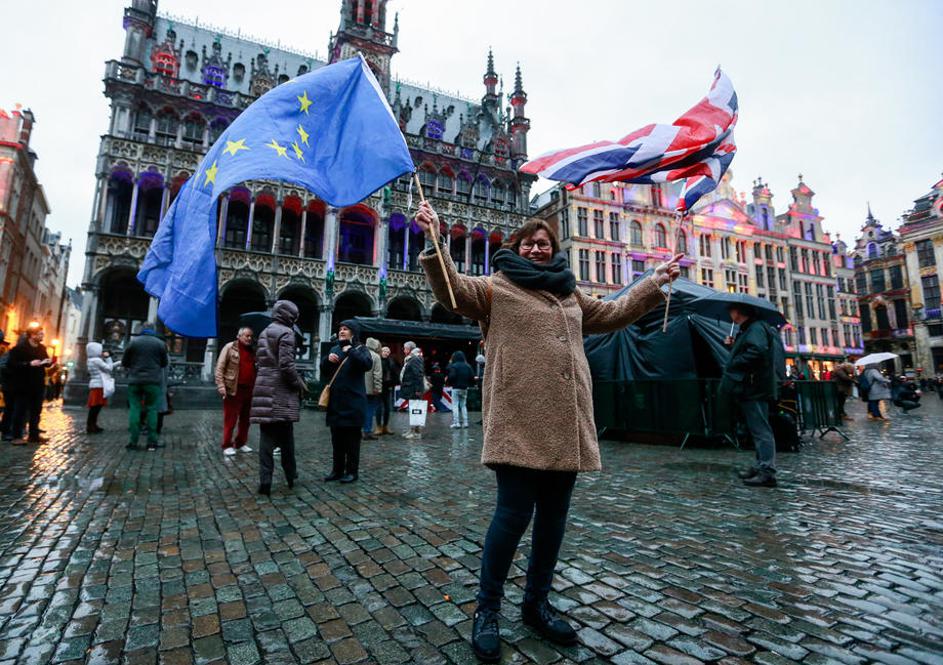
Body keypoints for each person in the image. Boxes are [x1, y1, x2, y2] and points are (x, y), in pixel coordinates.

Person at [415, 200, 679, 662]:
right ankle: (487, 610)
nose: (537, 249)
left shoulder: (570, 294)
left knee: (554, 520)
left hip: (566, 421)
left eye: (544, 244)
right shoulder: (496, 288)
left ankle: (536, 603)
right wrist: (435, 240)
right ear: (515, 247)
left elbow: (614, 312)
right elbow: (452, 292)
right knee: (512, 516)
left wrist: (653, 283)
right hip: (518, 419)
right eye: (529, 243)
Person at [720, 304, 779, 489]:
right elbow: (751, 349)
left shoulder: (755, 328)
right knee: (757, 428)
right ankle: (761, 466)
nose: (730, 313)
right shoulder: (750, 329)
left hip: (755, 387)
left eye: (731, 310)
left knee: (761, 429)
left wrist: (734, 361)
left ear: (739, 312)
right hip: (752, 386)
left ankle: (767, 471)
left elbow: (757, 351)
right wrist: (734, 346)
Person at [250, 301, 305, 495]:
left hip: (263, 384)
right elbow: (286, 365)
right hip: (281, 389)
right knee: (286, 436)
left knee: (266, 438)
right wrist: (299, 384)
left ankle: (265, 481)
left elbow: (259, 361)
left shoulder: (264, 332)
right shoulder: (287, 333)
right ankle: (290, 474)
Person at [320, 320, 372, 483]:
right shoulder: (334, 348)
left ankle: (352, 472)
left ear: (353, 332)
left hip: (353, 402)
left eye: (345, 329)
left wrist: (350, 351)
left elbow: (366, 364)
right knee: (337, 440)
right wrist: (327, 360)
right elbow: (324, 370)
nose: (341, 331)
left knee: (352, 441)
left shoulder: (361, 349)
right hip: (336, 402)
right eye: (340, 329)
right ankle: (337, 470)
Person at [123, 322, 169, 451]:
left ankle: (133, 441)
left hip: (135, 380)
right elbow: (164, 363)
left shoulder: (133, 342)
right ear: (153, 330)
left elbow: (125, 362)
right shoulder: (160, 344)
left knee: (135, 409)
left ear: (142, 329)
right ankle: (152, 442)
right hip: (153, 381)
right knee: (152, 409)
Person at [215, 327, 257, 456]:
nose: (249, 338)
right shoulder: (229, 347)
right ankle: (227, 445)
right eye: (246, 336)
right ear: (239, 336)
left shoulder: (252, 350)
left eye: (251, 336)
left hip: (249, 389)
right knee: (230, 419)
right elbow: (220, 367)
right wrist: (221, 386)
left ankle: (240, 443)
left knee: (246, 419)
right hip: (233, 389)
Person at [7, 323, 51, 445]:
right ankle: (16, 436)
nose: (42, 336)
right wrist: (28, 364)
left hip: (38, 384)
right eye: (40, 334)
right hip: (23, 384)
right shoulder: (19, 348)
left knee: (36, 411)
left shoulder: (42, 348)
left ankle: (33, 435)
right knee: (20, 410)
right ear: (32, 335)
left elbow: (46, 361)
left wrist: (47, 362)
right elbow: (11, 364)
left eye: (42, 334)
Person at [86, 342, 116, 434]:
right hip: (99, 385)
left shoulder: (91, 360)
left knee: (95, 407)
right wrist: (108, 358)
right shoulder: (97, 360)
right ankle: (91, 426)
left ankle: (92, 425)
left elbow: (106, 368)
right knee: (96, 407)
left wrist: (117, 363)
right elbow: (109, 369)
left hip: (95, 384)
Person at [399, 345, 426, 439]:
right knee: (413, 410)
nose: (404, 350)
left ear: (409, 349)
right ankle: (412, 430)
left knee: (416, 410)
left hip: (414, 389)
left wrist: (418, 389)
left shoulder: (415, 359)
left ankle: (416, 432)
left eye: (405, 348)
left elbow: (418, 375)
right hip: (412, 388)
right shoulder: (412, 359)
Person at [446, 351, 474, 429]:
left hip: (456, 388)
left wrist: (450, 382)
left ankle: (456, 423)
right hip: (464, 388)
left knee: (455, 405)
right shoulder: (468, 366)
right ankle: (465, 422)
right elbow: (472, 377)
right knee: (463, 405)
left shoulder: (454, 366)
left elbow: (451, 376)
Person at [376, 346, 400, 436]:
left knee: (387, 408)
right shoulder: (377, 360)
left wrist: (394, 383)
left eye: (387, 352)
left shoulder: (391, 361)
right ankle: (378, 426)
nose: (386, 353)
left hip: (388, 386)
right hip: (379, 386)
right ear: (381, 352)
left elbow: (395, 373)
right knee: (379, 407)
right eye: (384, 351)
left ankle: (385, 426)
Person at [362, 337, 383, 441]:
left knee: (360, 409)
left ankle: (358, 430)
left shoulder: (360, 354)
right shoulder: (376, 357)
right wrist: (378, 388)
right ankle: (367, 431)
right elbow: (377, 374)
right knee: (369, 410)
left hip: (358, 387)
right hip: (370, 389)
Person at [0, 331, 13, 440]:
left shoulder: (6, 352)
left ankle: (5, 430)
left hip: (3, 384)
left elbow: (4, 367)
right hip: (4, 383)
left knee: (6, 408)